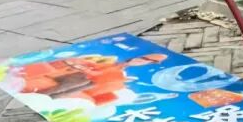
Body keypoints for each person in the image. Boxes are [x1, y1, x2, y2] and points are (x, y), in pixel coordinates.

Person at [14, 53, 167, 105]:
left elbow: (107, 77)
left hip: (92, 81)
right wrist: (87, 69)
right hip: (81, 76)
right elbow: (93, 66)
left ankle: (48, 99)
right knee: (78, 82)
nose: (141, 62)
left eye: (146, 62)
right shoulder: (112, 62)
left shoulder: (121, 71)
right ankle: (40, 96)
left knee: (79, 87)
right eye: (143, 60)